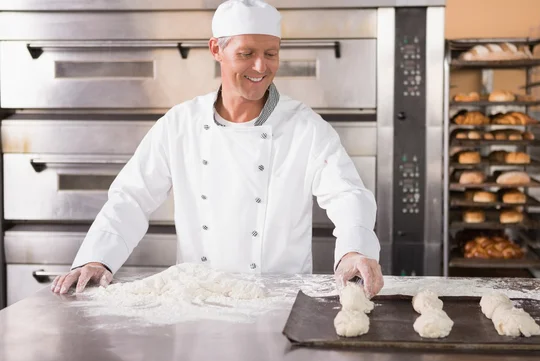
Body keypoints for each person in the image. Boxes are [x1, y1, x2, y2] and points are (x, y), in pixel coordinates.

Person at [51, 0, 384, 298]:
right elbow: (131, 197)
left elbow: (347, 195)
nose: (260, 67)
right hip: (197, 300)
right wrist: (97, 258)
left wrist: (354, 251)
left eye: (271, 54)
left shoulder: (306, 128)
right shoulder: (180, 124)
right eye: (246, 54)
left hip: (279, 303)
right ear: (216, 49)